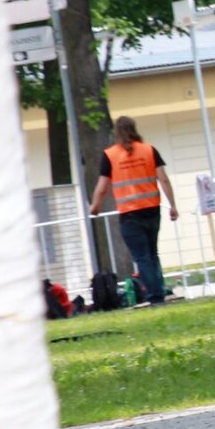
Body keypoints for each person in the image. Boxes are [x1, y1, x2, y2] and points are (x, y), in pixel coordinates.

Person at [90, 116, 179, 305]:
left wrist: (95, 206)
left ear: (116, 132)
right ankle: (159, 291)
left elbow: (102, 186)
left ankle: (155, 297)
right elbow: (163, 179)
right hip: (152, 211)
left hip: (130, 215)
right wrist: (172, 205)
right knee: (152, 254)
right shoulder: (149, 151)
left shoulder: (110, 155)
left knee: (142, 257)